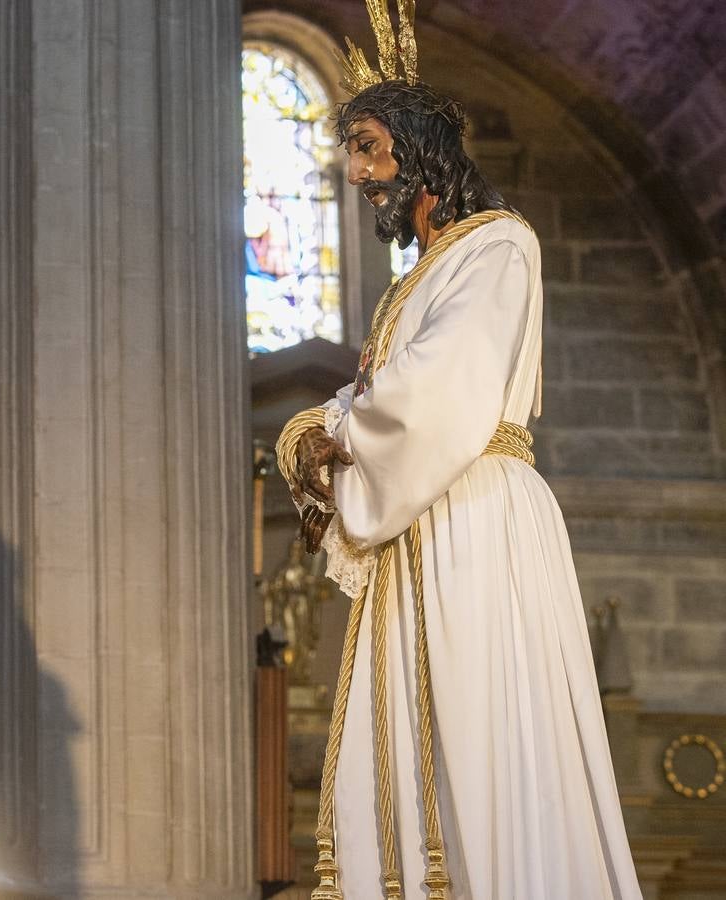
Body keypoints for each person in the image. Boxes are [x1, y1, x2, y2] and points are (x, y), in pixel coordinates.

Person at [275, 5, 643, 899]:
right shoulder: (419, 278)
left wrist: (337, 430)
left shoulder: (497, 245)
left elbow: (433, 392)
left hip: (471, 512)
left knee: (481, 735)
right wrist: (310, 434)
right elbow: (375, 390)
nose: (357, 173)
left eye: (366, 146)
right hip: (420, 519)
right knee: (405, 738)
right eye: (350, 154)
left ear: (416, 143)